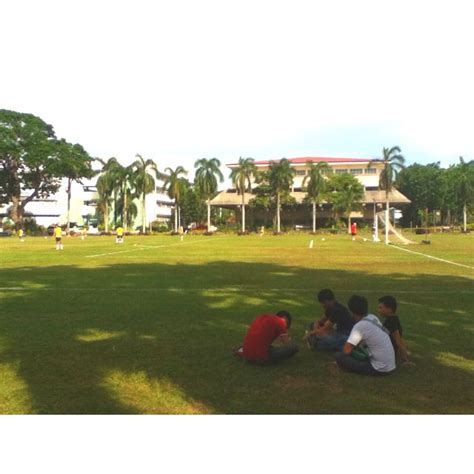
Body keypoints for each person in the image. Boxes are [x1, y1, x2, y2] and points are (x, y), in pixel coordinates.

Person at [335, 295, 396, 376]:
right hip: (391, 365)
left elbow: (347, 350)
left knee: (339, 356)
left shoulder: (359, 326)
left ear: (352, 312)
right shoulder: (373, 317)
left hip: (379, 369)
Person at [234, 311, 299, 364]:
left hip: (246, 354)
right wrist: (289, 338)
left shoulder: (262, 317)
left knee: (269, 346)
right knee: (294, 347)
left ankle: (242, 349)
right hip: (260, 358)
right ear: (286, 321)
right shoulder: (281, 322)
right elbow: (287, 343)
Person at [378, 295, 411, 363]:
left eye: (381, 308)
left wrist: (405, 358)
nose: (379, 310)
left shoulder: (391, 321)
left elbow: (397, 339)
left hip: (387, 353)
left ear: (389, 309)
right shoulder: (394, 318)